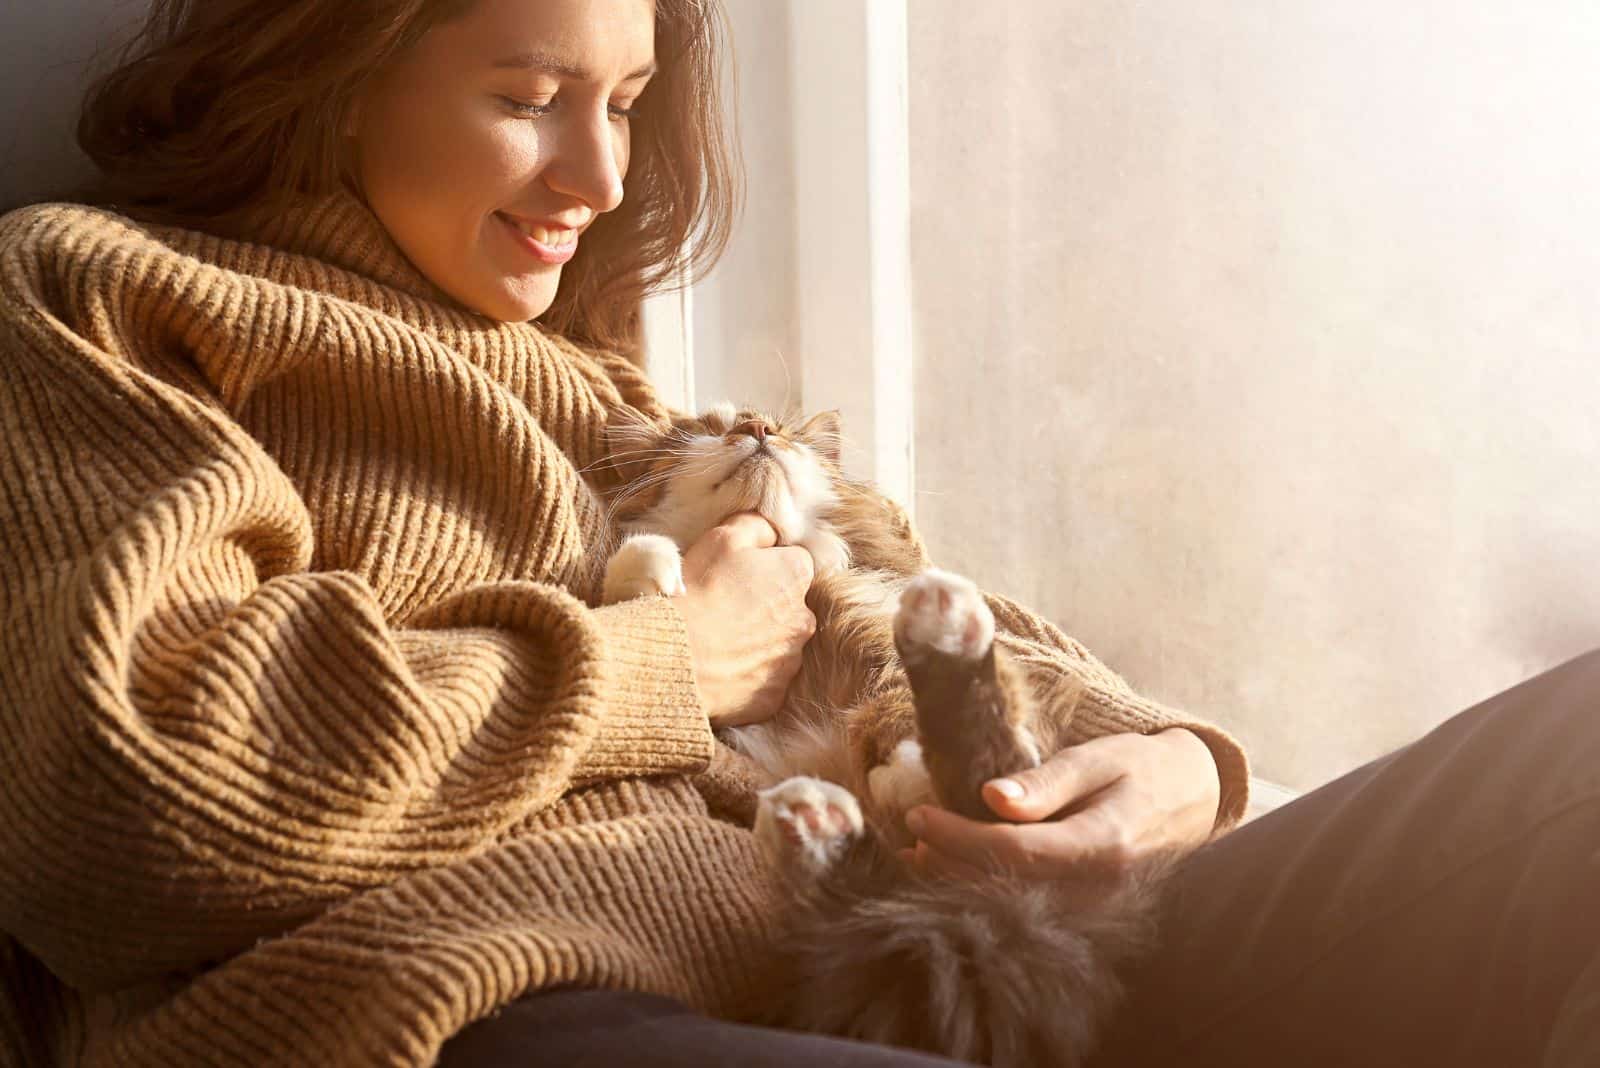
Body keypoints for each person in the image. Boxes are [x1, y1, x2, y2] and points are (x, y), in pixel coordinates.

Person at [1, 2, 1589, 1067]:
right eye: (528, 99)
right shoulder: (103, 298)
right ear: (330, 66)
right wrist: (658, 658)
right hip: (494, 989)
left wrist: (1175, 765)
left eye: (625, 103)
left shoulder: (613, 395)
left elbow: (896, 625)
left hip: (933, 951)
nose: (603, 175)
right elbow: (126, 797)